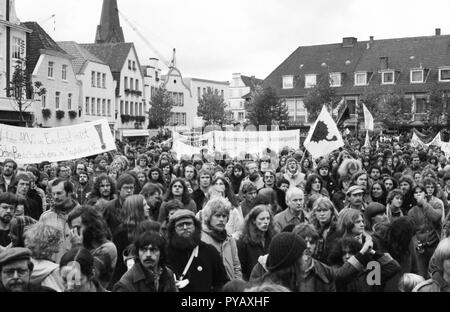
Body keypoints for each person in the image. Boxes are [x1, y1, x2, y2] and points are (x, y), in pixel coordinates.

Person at [165, 209, 228, 291]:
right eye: (180, 225)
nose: (185, 228)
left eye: (188, 224)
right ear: (173, 230)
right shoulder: (166, 253)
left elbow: (221, 283)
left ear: (195, 226)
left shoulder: (210, 252)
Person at [67, 206, 117, 289]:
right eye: (72, 229)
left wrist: (77, 247)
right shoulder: (85, 245)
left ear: (91, 226)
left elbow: (78, 278)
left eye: (77, 228)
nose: (74, 233)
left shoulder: (107, 249)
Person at [113, 231, 177, 292]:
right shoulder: (127, 282)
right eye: (143, 250)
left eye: (153, 250)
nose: (148, 255)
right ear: (138, 253)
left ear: (161, 253)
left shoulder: (167, 273)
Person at [200, 197, 242, 280]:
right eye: (217, 216)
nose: (221, 220)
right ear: (208, 217)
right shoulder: (200, 238)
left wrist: (237, 286)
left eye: (224, 216)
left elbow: (236, 267)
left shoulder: (229, 239)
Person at [39, 179, 80, 263]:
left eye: (59, 193)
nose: (55, 197)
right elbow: (39, 245)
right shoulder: (46, 217)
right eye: (53, 194)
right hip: (52, 268)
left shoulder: (83, 215)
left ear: (69, 193)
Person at [408, 183, 443, 278]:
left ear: (425, 193)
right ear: (413, 195)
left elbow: (435, 217)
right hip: (421, 248)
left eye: (420, 192)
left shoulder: (436, 205)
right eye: (416, 193)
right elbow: (412, 232)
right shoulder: (411, 211)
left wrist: (424, 203)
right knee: (421, 274)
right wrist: (416, 244)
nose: (418, 194)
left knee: (436, 274)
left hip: (434, 245)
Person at [237, 205, 277, 281]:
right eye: (262, 219)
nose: (266, 222)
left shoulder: (273, 237)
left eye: (268, 219)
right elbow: (240, 269)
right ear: (253, 221)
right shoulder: (243, 242)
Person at [24, 223, 64, 292]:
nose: (61, 241)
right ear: (49, 243)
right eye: (57, 239)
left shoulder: (24, 267)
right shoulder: (55, 270)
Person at [309, 197, 340, 264]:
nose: (322, 214)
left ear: (331, 212)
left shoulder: (339, 229)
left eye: (325, 210)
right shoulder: (310, 229)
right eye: (319, 211)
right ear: (314, 213)